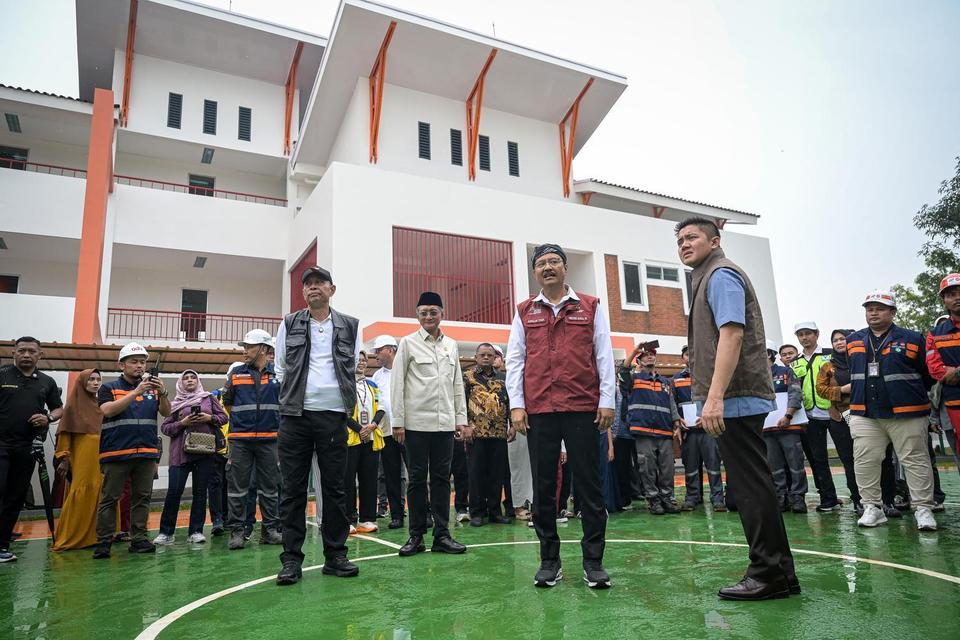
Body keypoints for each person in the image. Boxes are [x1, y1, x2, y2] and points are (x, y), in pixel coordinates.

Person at [678, 217, 797, 600]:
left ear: (715, 241)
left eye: (691, 237)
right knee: (754, 484)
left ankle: (767, 574)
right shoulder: (706, 277)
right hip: (733, 396)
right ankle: (781, 572)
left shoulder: (721, 275)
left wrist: (714, 397)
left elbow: (732, 334)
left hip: (735, 397)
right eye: (679, 240)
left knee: (749, 487)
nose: (683, 244)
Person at [507, 243, 615, 589]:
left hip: (583, 407)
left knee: (589, 487)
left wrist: (607, 400)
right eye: (541, 263)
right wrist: (517, 405)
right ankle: (549, 561)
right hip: (540, 410)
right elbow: (515, 361)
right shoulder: (525, 311)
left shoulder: (590, 306)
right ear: (535, 272)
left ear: (565, 268)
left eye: (555, 261)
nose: (548, 267)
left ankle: (593, 562)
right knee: (543, 488)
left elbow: (604, 356)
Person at [275, 266, 361, 585]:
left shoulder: (350, 325)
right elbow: (281, 368)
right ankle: (291, 560)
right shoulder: (289, 323)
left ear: (331, 289)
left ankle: (336, 555)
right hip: (296, 416)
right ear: (303, 293)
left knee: (336, 488)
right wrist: (293, 400)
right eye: (308, 285)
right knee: (294, 489)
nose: (313, 288)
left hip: (334, 415)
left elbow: (350, 366)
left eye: (319, 283)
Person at [847, 290, 937, 531]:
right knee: (865, 460)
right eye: (869, 308)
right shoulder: (853, 340)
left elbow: (927, 376)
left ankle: (923, 509)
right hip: (865, 413)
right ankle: (872, 507)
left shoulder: (912, 338)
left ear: (893, 312)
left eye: (879, 308)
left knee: (915, 460)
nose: (873, 312)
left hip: (907, 412)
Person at [391, 291, 468, 557]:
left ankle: (442, 535)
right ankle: (416, 536)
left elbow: (457, 384)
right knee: (415, 480)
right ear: (417, 315)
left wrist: (461, 419)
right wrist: (398, 422)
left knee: (442, 480)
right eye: (423, 312)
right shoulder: (408, 343)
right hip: (415, 425)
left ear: (442, 314)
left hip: (444, 425)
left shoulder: (452, 345)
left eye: (433, 312)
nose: (428, 317)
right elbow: (397, 383)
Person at [93, 342, 170, 559]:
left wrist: (163, 392)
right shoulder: (109, 388)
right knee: (110, 498)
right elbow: (107, 410)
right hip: (115, 452)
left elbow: (167, 412)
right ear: (121, 365)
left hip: (145, 452)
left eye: (142, 362)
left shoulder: (153, 389)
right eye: (134, 362)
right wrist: (136, 392)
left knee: (142, 497)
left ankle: (139, 539)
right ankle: (104, 542)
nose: (139, 366)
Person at [0, 337, 64, 563]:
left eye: (31, 351)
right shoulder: (2, 374)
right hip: (1, 445)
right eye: (22, 351)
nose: (26, 355)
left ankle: (2, 546)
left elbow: (58, 409)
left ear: (40, 355)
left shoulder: (46, 382)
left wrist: (47, 417)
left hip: (26, 447)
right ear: (13, 353)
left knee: (15, 497)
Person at [221, 330, 283, 549]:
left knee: (270, 488)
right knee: (237, 488)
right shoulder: (236, 373)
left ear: (264, 349)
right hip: (240, 440)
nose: (245, 351)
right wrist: (243, 423)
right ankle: (236, 533)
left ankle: (270, 531)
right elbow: (227, 403)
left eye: (249, 346)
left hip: (269, 440)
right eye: (244, 346)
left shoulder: (279, 374)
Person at [154, 370, 228, 545]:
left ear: (198, 381)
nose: (189, 380)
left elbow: (224, 417)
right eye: (186, 378)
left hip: (204, 453)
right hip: (180, 455)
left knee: (200, 493)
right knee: (174, 492)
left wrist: (210, 418)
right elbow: (165, 428)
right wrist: (183, 423)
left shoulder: (209, 398)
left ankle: (196, 531)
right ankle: (166, 532)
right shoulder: (175, 404)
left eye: (192, 378)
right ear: (181, 383)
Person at [620, 343, 682, 515]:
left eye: (652, 354)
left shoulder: (666, 382)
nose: (650, 356)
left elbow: (671, 403)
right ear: (639, 360)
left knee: (668, 467)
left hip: (664, 431)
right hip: (643, 430)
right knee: (647, 467)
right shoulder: (633, 379)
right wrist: (634, 351)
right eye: (646, 354)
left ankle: (667, 498)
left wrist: (676, 421)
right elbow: (622, 371)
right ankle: (653, 499)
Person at [790, 321, 845, 513]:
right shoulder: (795, 362)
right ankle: (828, 498)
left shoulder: (831, 354)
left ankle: (860, 498)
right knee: (818, 459)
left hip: (834, 411)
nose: (804, 337)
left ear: (816, 334)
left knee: (848, 456)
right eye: (800, 334)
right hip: (810, 415)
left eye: (808, 333)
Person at [52, 369, 102, 551]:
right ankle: (70, 537)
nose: (95, 383)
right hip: (82, 456)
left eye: (98, 379)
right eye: (91, 380)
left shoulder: (101, 405)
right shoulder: (72, 407)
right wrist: (63, 458)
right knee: (80, 490)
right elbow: (65, 434)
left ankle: (97, 536)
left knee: (101, 493)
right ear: (82, 382)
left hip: (102, 457)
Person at [462, 343, 512, 526]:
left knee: (496, 474)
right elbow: (461, 403)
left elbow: (509, 402)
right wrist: (464, 426)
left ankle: (495, 512)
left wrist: (512, 425)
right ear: (476, 357)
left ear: (494, 358)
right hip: (475, 433)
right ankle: (476, 512)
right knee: (476, 474)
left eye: (489, 355)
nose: (486, 358)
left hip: (499, 433)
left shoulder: (503, 378)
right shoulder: (467, 377)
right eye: (482, 354)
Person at [815, 329, 863, 514]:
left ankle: (883, 499)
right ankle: (858, 499)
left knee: (874, 459)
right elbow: (821, 389)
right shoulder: (828, 366)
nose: (839, 342)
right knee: (849, 460)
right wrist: (842, 390)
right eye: (835, 340)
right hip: (840, 417)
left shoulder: (862, 360)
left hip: (867, 416)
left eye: (843, 339)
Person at [674, 345, 726, 512]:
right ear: (683, 358)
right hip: (688, 433)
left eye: (694, 353)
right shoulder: (675, 380)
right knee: (690, 467)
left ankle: (717, 498)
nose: (690, 357)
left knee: (713, 465)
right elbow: (672, 404)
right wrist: (677, 419)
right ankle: (692, 498)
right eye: (687, 354)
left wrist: (706, 418)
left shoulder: (710, 377)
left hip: (709, 430)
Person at [762, 343, 808, 513]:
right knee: (775, 466)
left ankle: (798, 497)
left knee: (795, 463)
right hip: (767, 429)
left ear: (769, 354)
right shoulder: (756, 376)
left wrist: (788, 415)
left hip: (789, 426)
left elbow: (795, 393)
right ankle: (780, 496)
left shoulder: (785, 372)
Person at [370, 335, 406, 530]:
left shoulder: (406, 370)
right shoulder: (377, 376)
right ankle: (397, 515)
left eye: (379, 350)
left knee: (416, 473)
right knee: (391, 475)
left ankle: (425, 513)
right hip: (386, 432)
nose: (376, 354)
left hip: (408, 430)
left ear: (390, 350)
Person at [345, 350, 382, 534]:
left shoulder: (372, 384)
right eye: (357, 360)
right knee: (348, 480)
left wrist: (372, 426)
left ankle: (367, 518)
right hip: (351, 439)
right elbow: (342, 413)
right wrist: (360, 429)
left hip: (371, 438)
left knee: (369, 479)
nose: (360, 363)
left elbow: (381, 408)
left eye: (363, 360)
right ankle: (349, 519)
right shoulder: (344, 384)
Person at [927, 276, 960, 479]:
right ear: (944, 300)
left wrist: (955, 372)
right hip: (953, 407)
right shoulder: (935, 334)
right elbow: (935, 370)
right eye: (951, 294)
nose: (957, 298)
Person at [207, 386, 229, 536]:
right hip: (215, 451)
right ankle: (217, 520)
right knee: (215, 486)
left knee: (230, 487)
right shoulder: (214, 395)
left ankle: (228, 519)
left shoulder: (241, 397)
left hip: (234, 451)